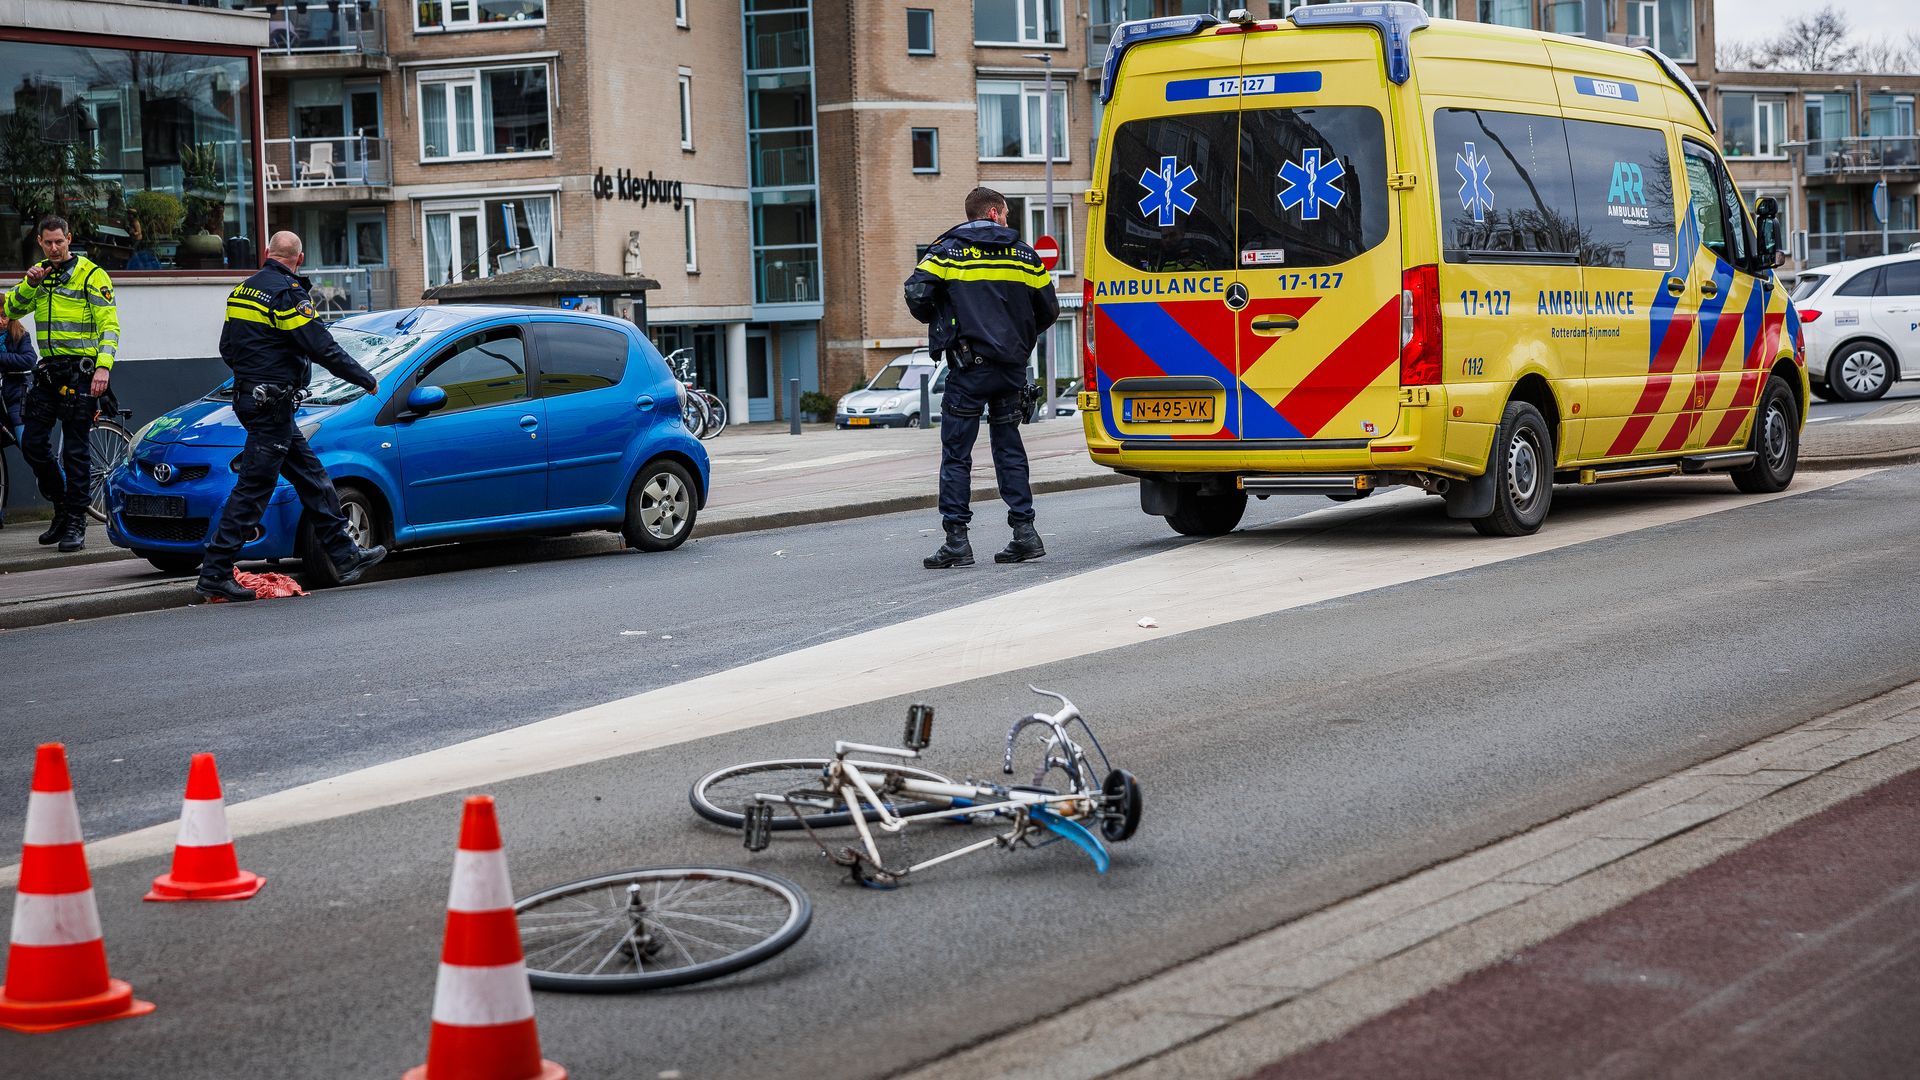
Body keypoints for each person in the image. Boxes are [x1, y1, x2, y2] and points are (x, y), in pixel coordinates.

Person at [194, 231, 386, 603]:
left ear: (268, 253)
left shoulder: (241, 292)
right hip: (272, 407)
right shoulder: (287, 295)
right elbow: (321, 346)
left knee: (313, 478)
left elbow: (227, 348)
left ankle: (345, 557)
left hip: (255, 401)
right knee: (253, 490)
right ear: (298, 259)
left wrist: (255, 375)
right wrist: (367, 380)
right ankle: (216, 572)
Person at [904, 187, 1058, 569]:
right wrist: (1018, 339)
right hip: (1010, 370)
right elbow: (1050, 309)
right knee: (1008, 449)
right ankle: (1024, 533)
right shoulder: (1024, 254)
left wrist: (945, 318)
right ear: (992, 213)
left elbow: (916, 293)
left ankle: (957, 541)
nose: (1007, 222)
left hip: (968, 369)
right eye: (1005, 214)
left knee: (957, 455)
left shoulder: (946, 250)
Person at [4, 216, 118, 552]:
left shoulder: (91, 275)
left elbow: (109, 326)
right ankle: (61, 507)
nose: (54, 248)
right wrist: (28, 283)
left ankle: (75, 522)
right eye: (48, 243)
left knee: (75, 452)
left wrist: (103, 368)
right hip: (48, 374)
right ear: (39, 242)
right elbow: (11, 308)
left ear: (69, 238)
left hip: (82, 373)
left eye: (60, 242)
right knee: (33, 444)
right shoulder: (38, 275)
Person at [0, 311, 36, 528]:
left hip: (15, 399)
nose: (1, 321)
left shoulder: (20, 335)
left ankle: (65, 494)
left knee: (30, 447)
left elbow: (29, 360)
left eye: (4, 316)